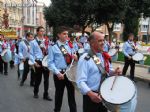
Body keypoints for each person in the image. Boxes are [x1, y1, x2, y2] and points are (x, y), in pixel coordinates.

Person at [76, 32, 122, 112]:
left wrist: (114, 71)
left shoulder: (103, 56)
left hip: (104, 95)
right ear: (92, 43)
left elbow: (107, 71)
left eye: (103, 40)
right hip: (91, 97)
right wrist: (91, 94)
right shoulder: (85, 59)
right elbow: (80, 81)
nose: (103, 43)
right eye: (100, 41)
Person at [48, 26, 77, 112]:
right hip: (59, 74)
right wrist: (57, 73)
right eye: (64, 34)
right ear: (59, 35)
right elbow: (50, 62)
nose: (66, 35)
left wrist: (75, 57)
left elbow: (73, 59)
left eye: (67, 34)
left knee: (71, 95)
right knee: (59, 94)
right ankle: (57, 110)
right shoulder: (53, 47)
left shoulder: (70, 45)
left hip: (69, 73)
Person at [30, 26, 52, 101]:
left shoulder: (47, 41)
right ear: (37, 32)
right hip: (38, 61)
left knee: (46, 79)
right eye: (41, 31)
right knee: (38, 79)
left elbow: (50, 51)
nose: (42, 32)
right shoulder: (33, 42)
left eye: (43, 31)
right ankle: (35, 92)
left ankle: (46, 94)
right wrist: (34, 62)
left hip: (45, 61)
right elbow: (31, 54)